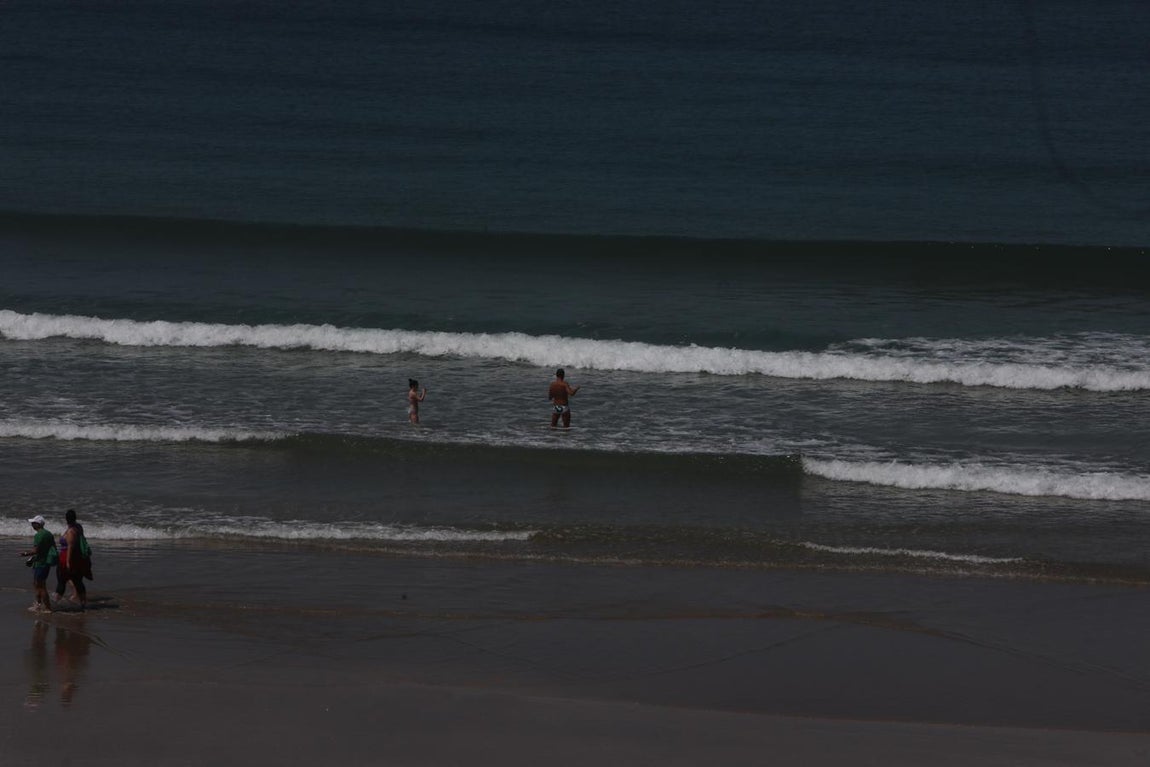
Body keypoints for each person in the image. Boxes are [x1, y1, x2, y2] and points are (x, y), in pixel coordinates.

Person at [55, 509, 92, 610]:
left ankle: (55, 603)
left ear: (66, 519)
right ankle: (83, 603)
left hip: (67, 558)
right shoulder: (78, 527)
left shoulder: (71, 531)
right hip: (77, 558)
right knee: (78, 581)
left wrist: (67, 562)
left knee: (61, 581)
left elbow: (70, 547)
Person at [19, 515, 57, 613]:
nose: (32, 524)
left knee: (40, 586)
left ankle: (48, 608)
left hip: (41, 563)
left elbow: (35, 550)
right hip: (45, 562)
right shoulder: (48, 534)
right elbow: (50, 548)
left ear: (38, 524)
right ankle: (38, 604)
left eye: (33, 523)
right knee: (37, 584)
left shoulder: (38, 535)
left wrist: (25, 554)